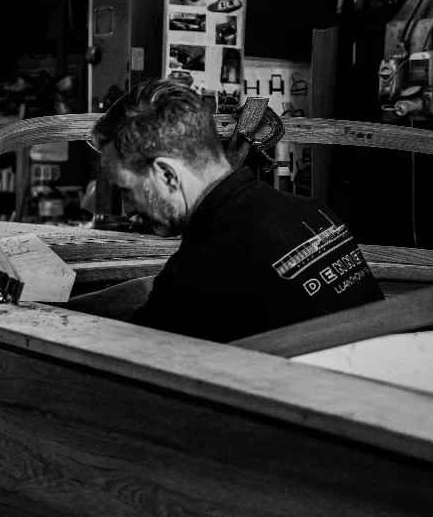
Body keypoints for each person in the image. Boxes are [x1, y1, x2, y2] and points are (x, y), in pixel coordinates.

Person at [68, 79, 382, 341]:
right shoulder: (314, 214)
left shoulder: (203, 267)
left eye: (126, 190)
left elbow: (125, 360)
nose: (128, 210)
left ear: (167, 175)